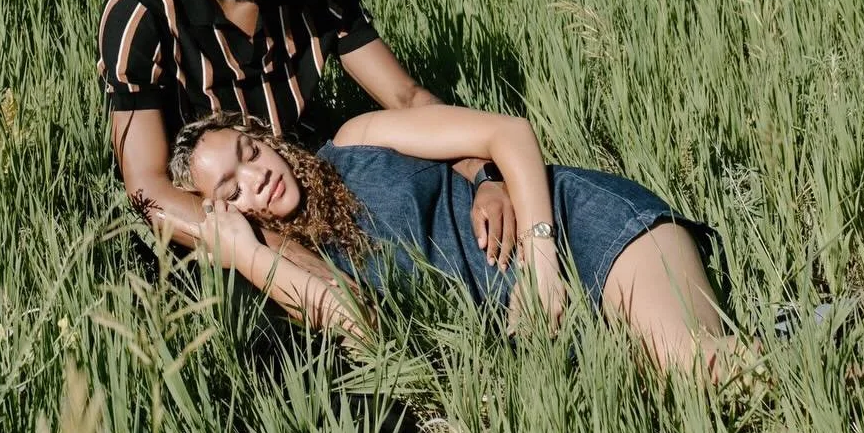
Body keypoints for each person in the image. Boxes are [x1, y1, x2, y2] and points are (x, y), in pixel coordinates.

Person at [97, 0, 517, 263]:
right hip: (213, 231)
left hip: (313, 195)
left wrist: (482, 175)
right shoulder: (143, 11)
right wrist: (276, 258)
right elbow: (147, 186)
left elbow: (406, 97)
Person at [169, 106, 735, 380]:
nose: (255, 175)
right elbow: (360, 327)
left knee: (698, 372)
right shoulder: (291, 266)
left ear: (264, 140)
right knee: (649, 401)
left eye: (249, 152)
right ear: (227, 212)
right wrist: (249, 254)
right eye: (231, 188)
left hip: (574, 227)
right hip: (533, 338)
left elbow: (506, 132)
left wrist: (540, 264)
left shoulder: (355, 139)